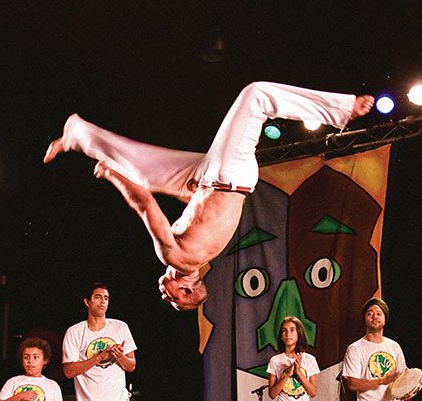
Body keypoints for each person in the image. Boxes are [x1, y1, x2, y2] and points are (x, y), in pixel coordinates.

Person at [44, 82, 374, 310]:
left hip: (209, 181)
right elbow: (144, 203)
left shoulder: (201, 257)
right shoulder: (175, 258)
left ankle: (78, 136)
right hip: (227, 176)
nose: (163, 292)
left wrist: (180, 190)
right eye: (172, 298)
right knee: (255, 95)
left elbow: (198, 209)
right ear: (186, 288)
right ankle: (341, 110)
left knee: (145, 172)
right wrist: (112, 175)